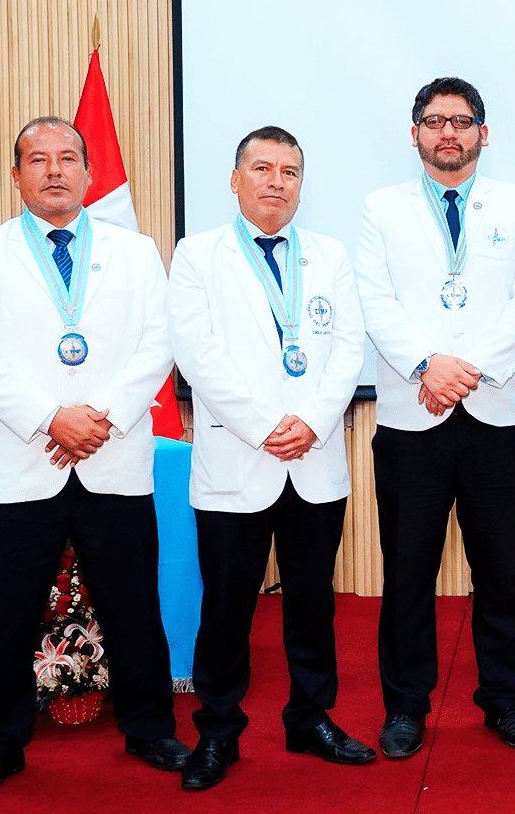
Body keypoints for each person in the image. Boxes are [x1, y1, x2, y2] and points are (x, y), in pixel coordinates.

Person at [0, 116, 185, 799]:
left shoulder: (136, 253)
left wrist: (95, 419)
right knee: (4, 615)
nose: (55, 170)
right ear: (15, 174)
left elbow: (156, 345)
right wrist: (52, 418)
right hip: (22, 464)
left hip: (112, 458)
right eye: (38, 159)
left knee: (135, 605)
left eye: (68, 158)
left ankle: (149, 726)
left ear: (87, 172)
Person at [167, 126, 372, 789]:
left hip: (313, 463)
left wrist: (310, 422)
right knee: (225, 609)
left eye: (289, 171)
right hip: (236, 461)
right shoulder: (198, 256)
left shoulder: (331, 255)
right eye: (262, 167)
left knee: (312, 602)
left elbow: (348, 346)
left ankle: (310, 718)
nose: (276, 181)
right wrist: (264, 426)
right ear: (235, 179)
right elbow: (198, 354)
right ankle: (218, 731)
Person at [355, 77, 515, 757]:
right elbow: (374, 301)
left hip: (496, 416)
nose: (449, 133)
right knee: (407, 572)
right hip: (414, 418)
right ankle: (406, 705)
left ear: (483, 134)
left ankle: (504, 698)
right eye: (435, 121)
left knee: (500, 570)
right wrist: (427, 367)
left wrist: (465, 370)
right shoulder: (380, 209)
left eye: (462, 121)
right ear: (415, 134)